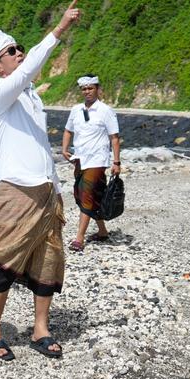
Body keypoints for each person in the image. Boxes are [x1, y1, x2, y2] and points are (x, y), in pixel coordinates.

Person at [0, 0, 82, 361]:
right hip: (15, 189)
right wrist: (59, 29)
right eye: (12, 50)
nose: (19, 53)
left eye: (21, 48)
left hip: (45, 188)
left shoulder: (31, 95)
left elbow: (40, 144)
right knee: (3, 258)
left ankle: (41, 327)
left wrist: (56, 186)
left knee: (48, 259)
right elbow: (28, 71)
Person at [61, 76, 121, 251]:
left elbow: (114, 138)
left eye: (90, 88)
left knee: (86, 194)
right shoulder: (76, 109)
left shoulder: (106, 111)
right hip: (79, 158)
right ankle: (102, 231)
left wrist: (116, 161)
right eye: (84, 89)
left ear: (98, 89)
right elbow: (67, 130)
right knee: (85, 195)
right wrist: (64, 149)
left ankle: (79, 238)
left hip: (97, 159)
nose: (87, 92)